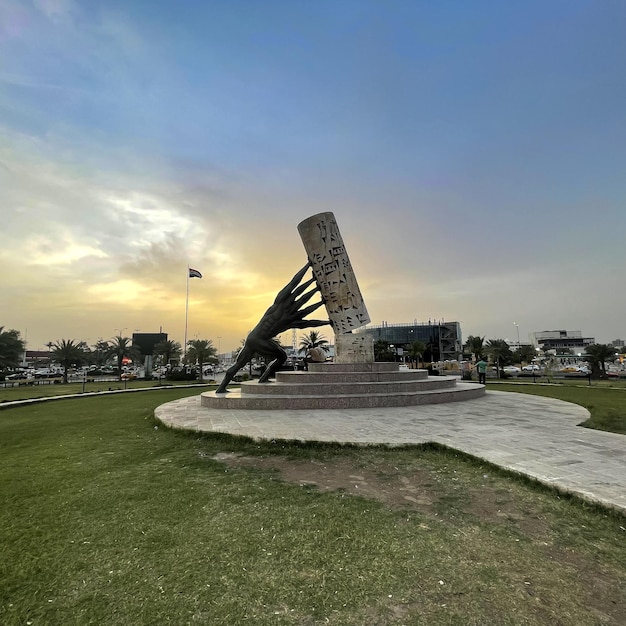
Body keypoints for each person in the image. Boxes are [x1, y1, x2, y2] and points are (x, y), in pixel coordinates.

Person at [215, 263, 328, 393]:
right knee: (282, 357)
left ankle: (221, 387)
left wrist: (309, 269)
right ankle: (263, 378)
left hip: (252, 337)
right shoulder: (290, 319)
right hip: (259, 339)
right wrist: (323, 310)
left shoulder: (278, 304)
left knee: (239, 364)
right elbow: (308, 317)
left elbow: (295, 285)